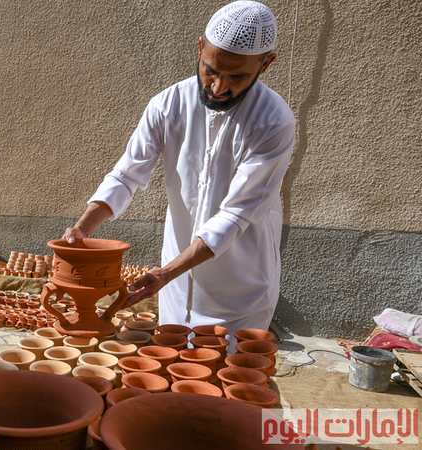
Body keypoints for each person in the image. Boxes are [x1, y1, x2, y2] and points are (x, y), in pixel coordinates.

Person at [63, 1, 294, 348]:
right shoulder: (168, 105)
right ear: (200, 48)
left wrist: (166, 273)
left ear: (267, 63)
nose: (218, 87)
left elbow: (234, 215)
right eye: (210, 69)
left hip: (240, 291)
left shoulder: (273, 121)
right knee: (173, 375)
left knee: (226, 380)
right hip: (173, 283)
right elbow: (127, 175)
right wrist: (82, 228)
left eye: (237, 77)